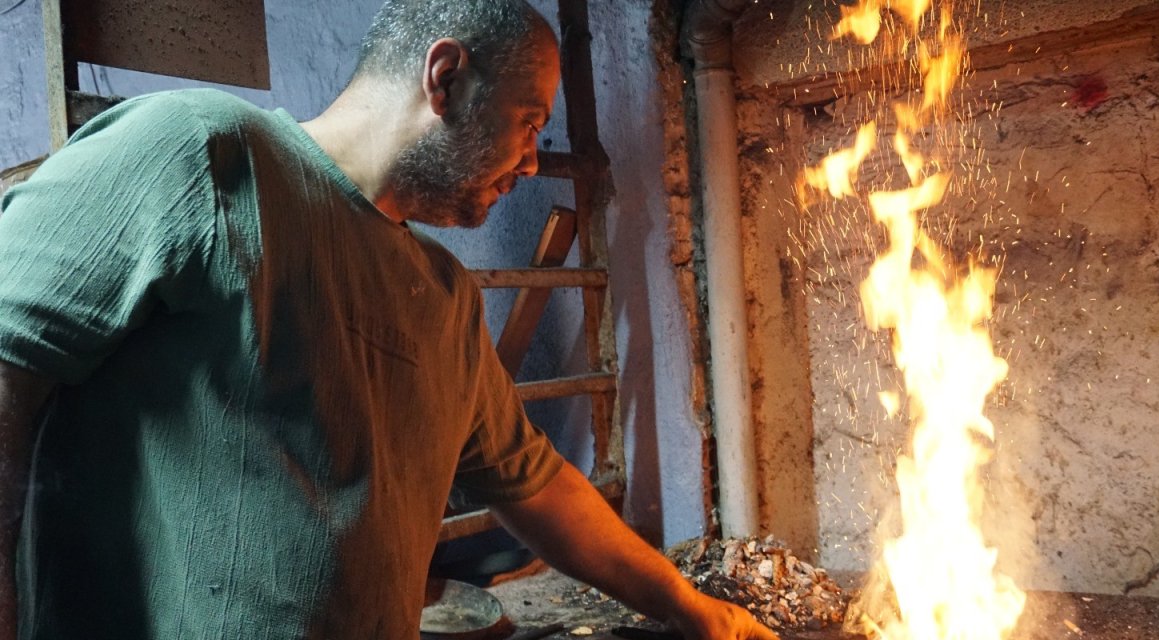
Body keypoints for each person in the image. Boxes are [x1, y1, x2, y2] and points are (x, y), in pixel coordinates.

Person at [0, 1, 777, 639]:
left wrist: (693, 609)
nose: (532, 161)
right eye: (528, 122)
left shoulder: (444, 296)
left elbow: (537, 485)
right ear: (446, 78)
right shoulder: (203, 156)